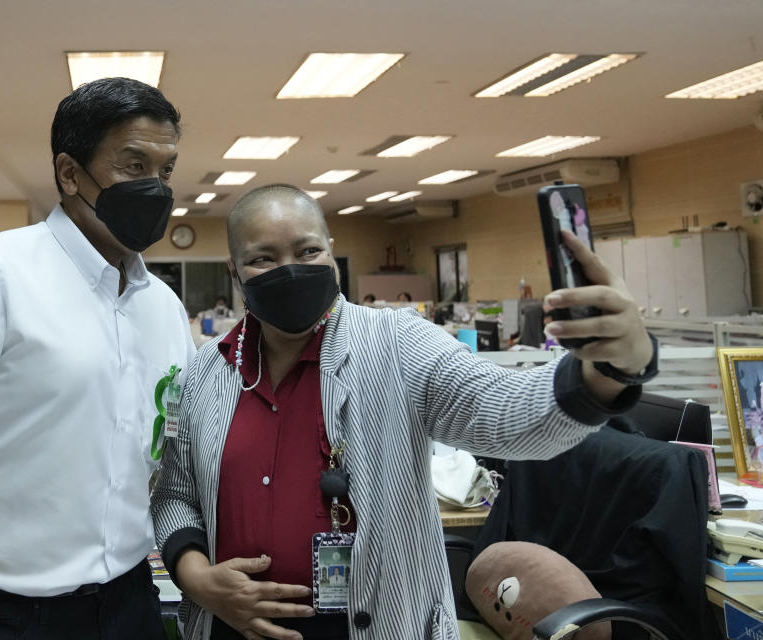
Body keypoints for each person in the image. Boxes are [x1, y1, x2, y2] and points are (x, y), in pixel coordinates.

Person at [151, 184, 657, 640]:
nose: (291, 270)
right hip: (232, 629)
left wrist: (609, 369)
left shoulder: (397, 345)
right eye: (264, 258)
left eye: (308, 250)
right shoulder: (204, 375)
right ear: (234, 272)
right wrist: (200, 580)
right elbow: (175, 493)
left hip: (374, 625)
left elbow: (505, 413)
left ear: (331, 253)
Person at [0, 78, 195, 640]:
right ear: (70, 173)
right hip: (5, 614)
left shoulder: (165, 308)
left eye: (166, 171)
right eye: (133, 165)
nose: (155, 188)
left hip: (131, 602)